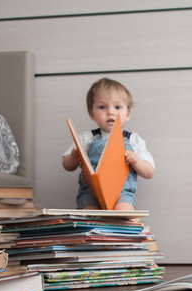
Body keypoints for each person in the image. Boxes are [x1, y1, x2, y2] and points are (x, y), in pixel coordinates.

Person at [62, 78, 155, 210]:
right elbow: (66, 165)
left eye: (117, 107)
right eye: (102, 107)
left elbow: (149, 172)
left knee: (124, 212)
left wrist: (136, 161)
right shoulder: (86, 137)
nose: (110, 112)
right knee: (89, 215)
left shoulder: (133, 139)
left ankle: (127, 226)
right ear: (92, 114)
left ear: (127, 114)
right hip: (91, 193)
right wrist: (73, 158)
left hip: (122, 194)